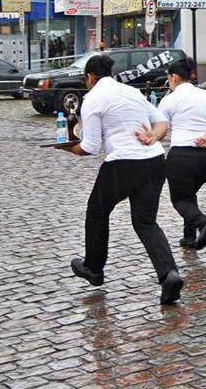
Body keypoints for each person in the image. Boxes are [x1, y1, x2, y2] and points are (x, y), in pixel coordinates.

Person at [60, 53, 184, 305]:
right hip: (154, 160)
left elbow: (91, 147)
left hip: (122, 163)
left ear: (89, 77)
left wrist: (66, 147)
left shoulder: (92, 98)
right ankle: (169, 273)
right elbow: (161, 121)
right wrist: (154, 136)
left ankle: (94, 268)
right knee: (146, 221)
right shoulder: (131, 91)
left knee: (97, 211)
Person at [141, 57, 206, 251]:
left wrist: (151, 137)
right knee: (189, 194)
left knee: (180, 199)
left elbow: (161, 129)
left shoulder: (169, 100)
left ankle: (203, 223)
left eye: (168, 78)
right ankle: (189, 237)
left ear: (175, 77)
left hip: (181, 158)